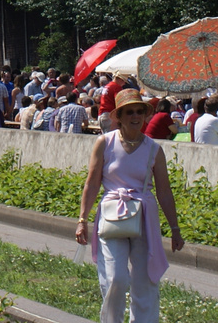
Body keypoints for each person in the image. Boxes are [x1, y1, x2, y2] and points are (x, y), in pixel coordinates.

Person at [75, 90, 183, 323]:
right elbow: (92, 183)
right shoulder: (105, 143)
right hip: (112, 215)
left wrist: (174, 228)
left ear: (145, 115)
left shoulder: (154, 149)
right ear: (120, 117)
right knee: (116, 278)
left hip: (144, 216)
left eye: (139, 111)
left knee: (144, 282)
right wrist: (82, 220)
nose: (135, 116)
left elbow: (164, 191)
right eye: (129, 112)